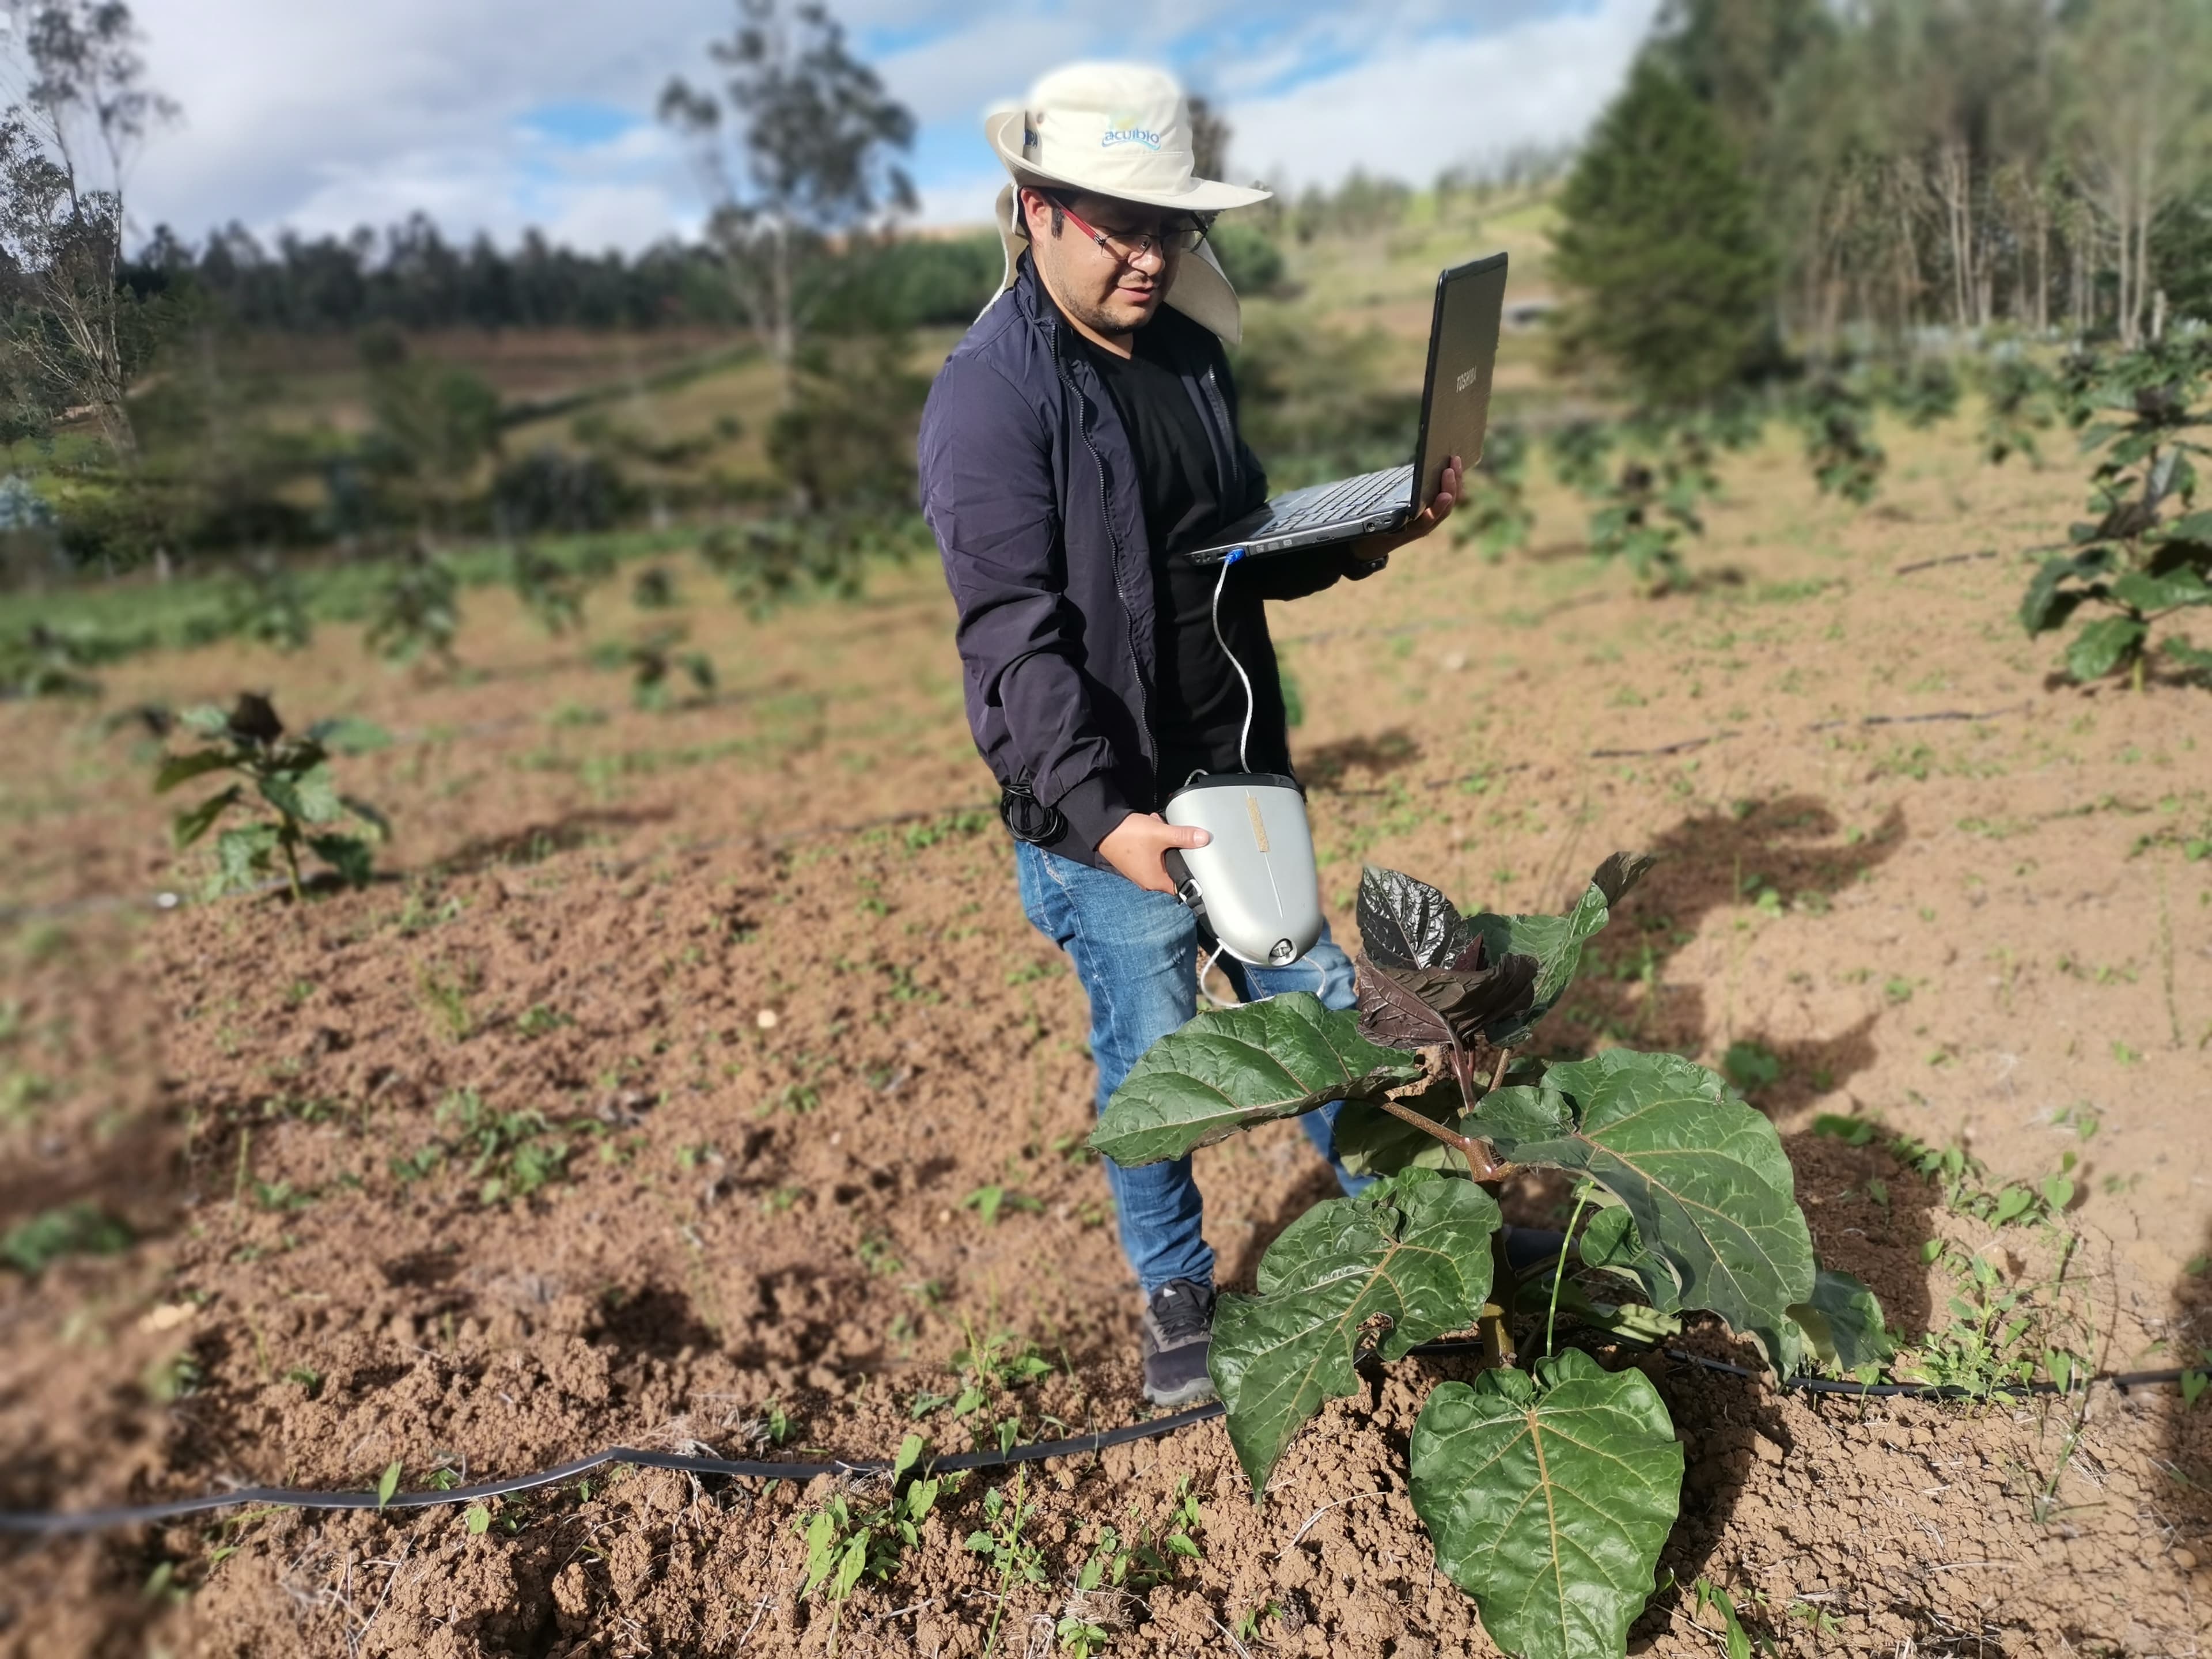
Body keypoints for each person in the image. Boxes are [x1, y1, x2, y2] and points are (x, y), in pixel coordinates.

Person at [917, 62, 1461, 1406]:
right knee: (1157, 1061)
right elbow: (1012, 639)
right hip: (1110, 812)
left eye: (1172, 228)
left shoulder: (1191, 360)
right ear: (1036, 208)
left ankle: (1411, 1237)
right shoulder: (992, 397)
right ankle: (1174, 1289)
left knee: (1317, 1009)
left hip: (1237, 772)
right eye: (1122, 226)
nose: (1154, 257)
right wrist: (1103, 820)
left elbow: (1235, 554)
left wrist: (1376, 529)